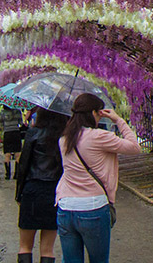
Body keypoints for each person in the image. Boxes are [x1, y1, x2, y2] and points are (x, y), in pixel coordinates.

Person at [56, 93, 142, 263]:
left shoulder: (64, 139)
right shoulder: (99, 136)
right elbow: (134, 147)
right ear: (94, 113)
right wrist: (118, 120)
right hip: (93, 207)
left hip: (65, 207)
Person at [17, 108, 68, 263]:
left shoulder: (33, 132)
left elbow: (23, 164)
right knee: (47, 249)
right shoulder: (65, 137)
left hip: (32, 188)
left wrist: (19, 193)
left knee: (25, 246)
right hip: (53, 191)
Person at [1, 102, 26, 180]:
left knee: (7, 154)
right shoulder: (17, 111)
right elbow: (21, 123)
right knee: (17, 153)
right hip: (16, 133)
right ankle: (16, 174)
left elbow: (1, 124)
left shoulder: (3, 112)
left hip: (7, 133)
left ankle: (7, 174)